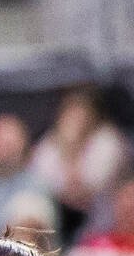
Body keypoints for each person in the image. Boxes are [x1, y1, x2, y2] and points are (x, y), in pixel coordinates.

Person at [28, 87, 128, 247]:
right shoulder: (47, 146)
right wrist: (66, 147)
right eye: (71, 112)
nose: (76, 119)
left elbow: (82, 192)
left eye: (82, 112)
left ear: (92, 115)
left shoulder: (107, 142)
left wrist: (73, 149)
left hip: (101, 222)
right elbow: (45, 187)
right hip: (59, 224)